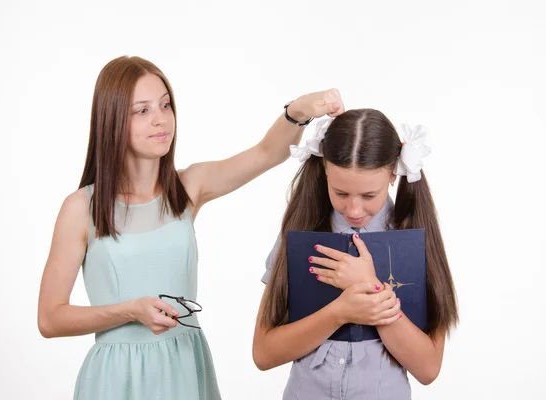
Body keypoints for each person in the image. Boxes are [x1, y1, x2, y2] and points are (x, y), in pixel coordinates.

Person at [36, 55, 345, 400]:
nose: (160, 120)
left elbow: (267, 153)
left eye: (165, 105)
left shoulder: (187, 188)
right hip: (116, 378)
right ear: (111, 121)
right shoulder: (81, 208)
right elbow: (50, 318)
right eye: (142, 111)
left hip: (185, 366)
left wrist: (300, 108)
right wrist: (129, 311)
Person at [253, 108, 458, 399]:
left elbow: (427, 368)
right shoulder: (301, 231)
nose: (354, 210)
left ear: (392, 174)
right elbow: (264, 353)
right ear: (324, 168)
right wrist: (339, 313)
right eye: (340, 193)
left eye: (368, 196)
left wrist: (371, 289)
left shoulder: (412, 238)